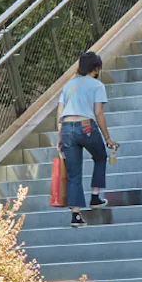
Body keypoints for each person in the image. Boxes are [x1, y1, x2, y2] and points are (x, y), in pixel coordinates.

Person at [54, 49, 114, 226]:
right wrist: (107, 138)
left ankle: (76, 216)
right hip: (85, 126)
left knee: (74, 174)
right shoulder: (97, 85)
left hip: (66, 128)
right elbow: (98, 113)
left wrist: (60, 137)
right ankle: (95, 197)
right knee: (100, 156)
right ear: (96, 68)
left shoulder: (68, 86)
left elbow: (60, 113)